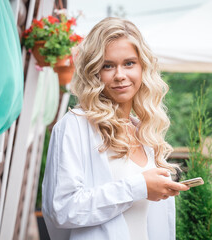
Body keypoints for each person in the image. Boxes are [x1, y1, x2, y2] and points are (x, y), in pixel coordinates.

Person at [42, 17, 189, 240]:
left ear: (143, 67)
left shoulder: (144, 132)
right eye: (108, 66)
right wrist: (138, 186)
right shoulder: (75, 126)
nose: (120, 75)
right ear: (93, 71)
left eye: (129, 63)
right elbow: (62, 210)